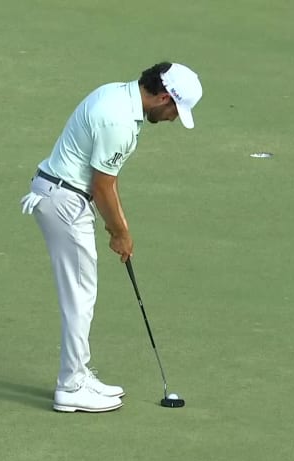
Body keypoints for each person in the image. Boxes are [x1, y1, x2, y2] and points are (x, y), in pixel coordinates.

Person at [19, 62, 203, 413]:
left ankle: (77, 373)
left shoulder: (118, 95)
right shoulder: (118, 120)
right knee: (80, 296)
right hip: (65, 202)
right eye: (175, 111)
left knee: (82, 293)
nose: (174, 118)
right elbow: (103, 186)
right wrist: (121, 233)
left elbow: (103, 185)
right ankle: (70, 387)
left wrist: (116, 227)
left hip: (61, 192)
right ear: (163, 97)